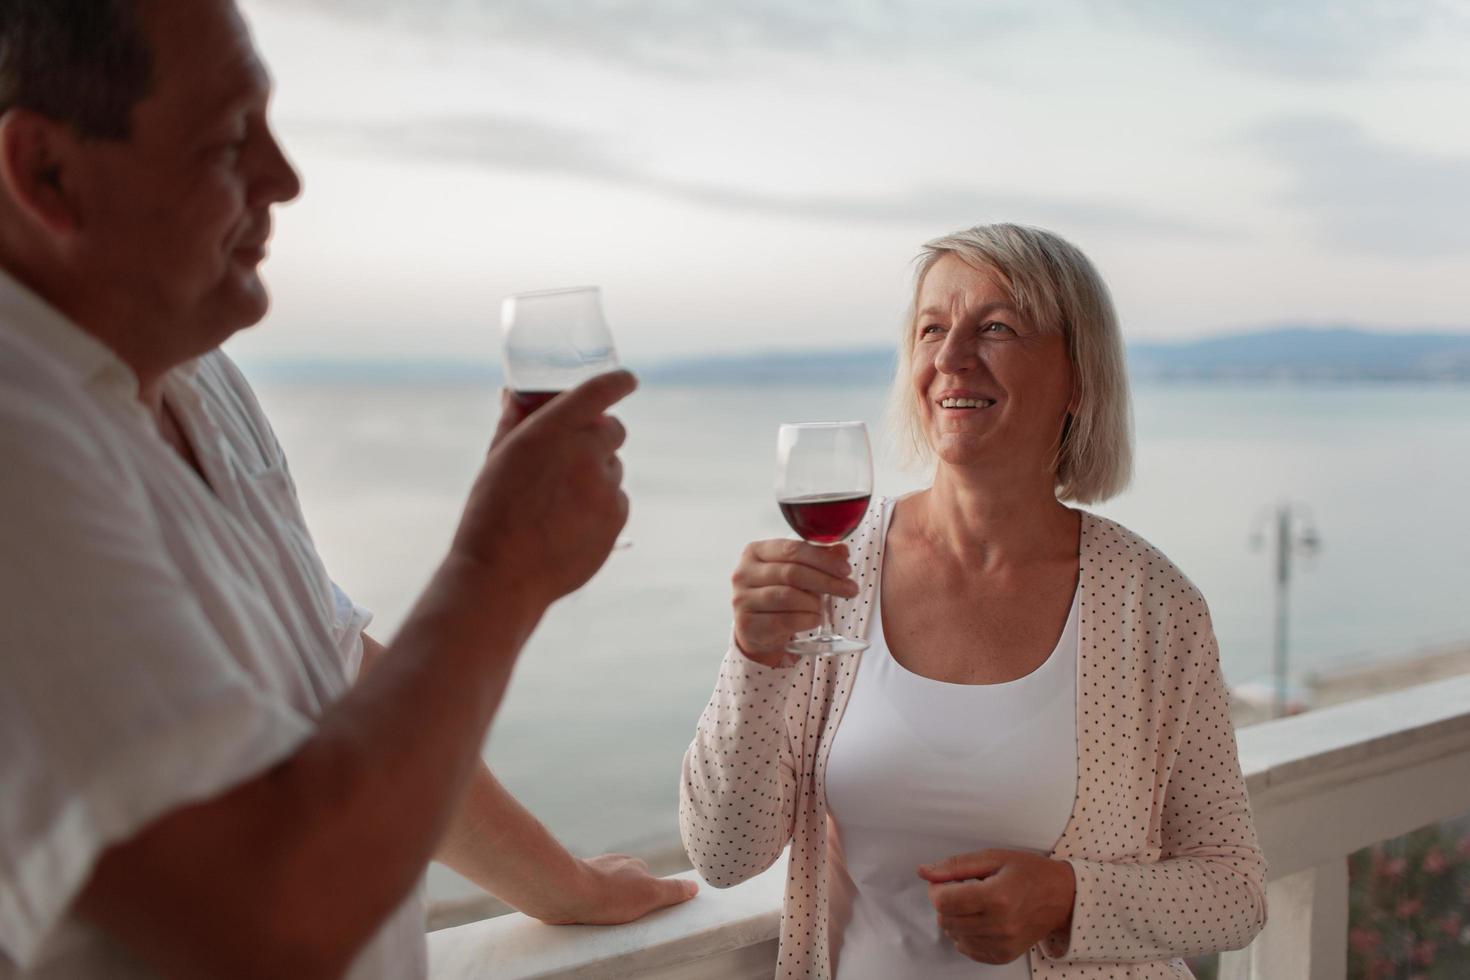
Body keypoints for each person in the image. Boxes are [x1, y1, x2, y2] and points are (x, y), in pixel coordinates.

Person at [0, 1, 694, 977]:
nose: (284, 177)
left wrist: (558, 882)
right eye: (230, 137)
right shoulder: (19, 452)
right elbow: (267, 914)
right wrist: (499, 570)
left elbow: (341, 688)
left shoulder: (200, 380)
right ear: (48, 174)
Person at [680, 223, 1267, 978]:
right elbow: (725, 856)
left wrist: (1067, 898)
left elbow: (1233, 891)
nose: (950, 358)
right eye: (931, 329)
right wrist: (755, 659)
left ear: (1078, 377)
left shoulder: (1152, 608)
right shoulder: (832, 576)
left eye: (995, 327)